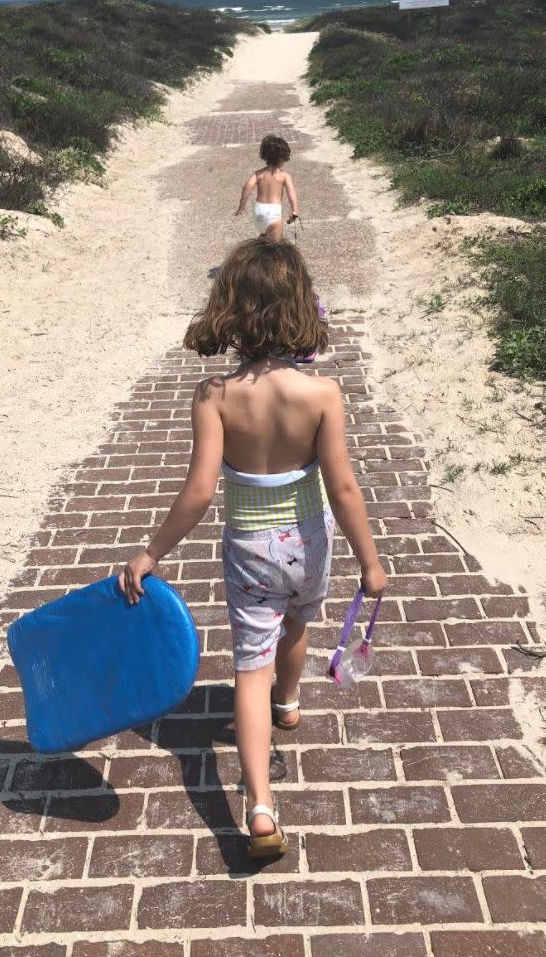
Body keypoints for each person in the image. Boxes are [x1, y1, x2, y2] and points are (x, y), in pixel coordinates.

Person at [118, 238, 386, 859]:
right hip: (309, 542)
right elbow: (342, 486)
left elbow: (198, 492)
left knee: (249, 662)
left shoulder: (215, 396)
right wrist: (370, 561)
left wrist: (150, 554)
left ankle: (260, 804)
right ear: (300, 309)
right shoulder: (322, 394)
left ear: (230, 309)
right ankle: (288, 705)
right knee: (298, 622)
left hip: (248, 551)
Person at [234, 134, 300, 242]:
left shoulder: (258, 174)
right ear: (282, 158)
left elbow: (246, 188)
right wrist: (294, 210)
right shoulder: (284, 176)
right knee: (276, 246)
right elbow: (291, 193)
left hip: (259, 212)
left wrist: (241, 206)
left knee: (264, 236)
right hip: (273, 213)